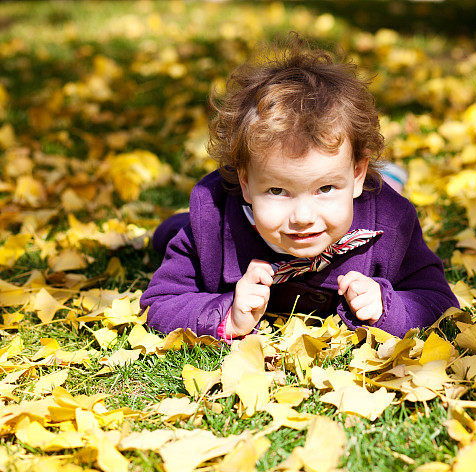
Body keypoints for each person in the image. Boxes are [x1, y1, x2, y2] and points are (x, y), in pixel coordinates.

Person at [140, 37, 458, 340]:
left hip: (371, 195)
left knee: (384, 186)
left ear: (357, 175)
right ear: (246, 182)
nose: (303, 217)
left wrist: (386, 307)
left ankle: (389, 176)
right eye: (278, 191)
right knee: (175, 234)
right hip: (221, 219)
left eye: (326, 188)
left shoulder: (392, 223)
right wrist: (227, 316)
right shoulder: (211, 224)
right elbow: (161, 302)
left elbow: (436, 300)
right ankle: (171, 228)